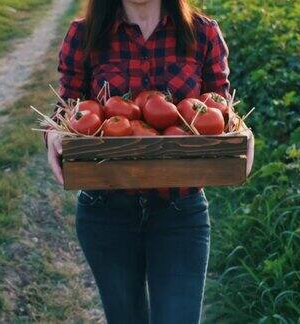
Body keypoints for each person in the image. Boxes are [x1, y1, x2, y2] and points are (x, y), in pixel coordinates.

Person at [44, 0, 254, 323]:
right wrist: (53, 135)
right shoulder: (84, 35)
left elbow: (221, 109)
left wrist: (243, 131)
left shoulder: (203, 33)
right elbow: (67, 110)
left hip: (179, 211)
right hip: (106, 213)